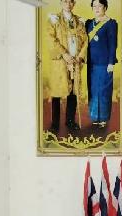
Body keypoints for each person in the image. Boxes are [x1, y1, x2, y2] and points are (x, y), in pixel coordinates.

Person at [47, 0, 88, 134]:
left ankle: (70, 120)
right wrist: (64, 54)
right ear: (61, 3)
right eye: (65, 1)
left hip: (75, 61)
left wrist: (79, 57)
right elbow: (51, 39)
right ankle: (55, 123)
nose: (68, 4)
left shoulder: (79, 21)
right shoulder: (54, 20)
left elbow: (85, 41)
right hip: (61, 62)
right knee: (57, 92)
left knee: (73, 92)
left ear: (73, 3)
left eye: (71, 2)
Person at [85, 0, 119, 129]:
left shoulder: (111, 23)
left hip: (104, 63)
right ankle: (95, 117)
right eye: (94, 6)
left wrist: (111, 62)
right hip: (91, 63)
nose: (97, 8)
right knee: (93, 90)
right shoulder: (89, 23)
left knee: (103, 90)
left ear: (105, 7)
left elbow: (113, 44)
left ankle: (103, 118)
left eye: (100, 6)